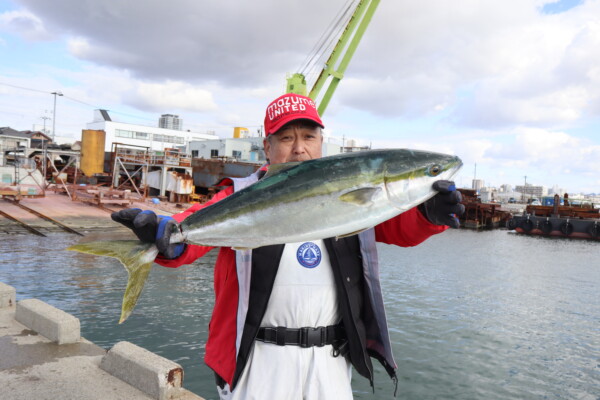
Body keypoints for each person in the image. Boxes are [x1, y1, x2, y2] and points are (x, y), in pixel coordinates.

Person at [112, 93, 464, 399]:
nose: (300, 147)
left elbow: (400, 229)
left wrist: (430, 215)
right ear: (267, 147)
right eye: (286, 137)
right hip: (259, 358)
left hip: (331, 358)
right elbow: (192, 229)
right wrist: (167, 239)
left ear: (321, 143)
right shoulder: (239, 193)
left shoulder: (356, 199)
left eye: (309, 136)